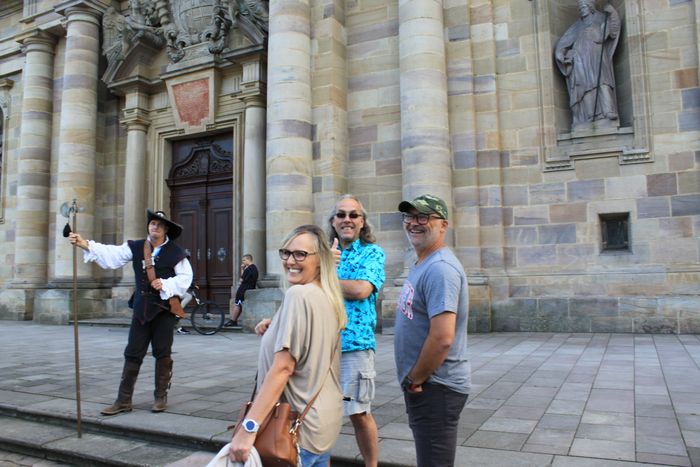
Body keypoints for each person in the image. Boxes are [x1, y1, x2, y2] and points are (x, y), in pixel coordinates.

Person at [228, 225, 346, 467]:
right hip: (322, 424)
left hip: (294, 428)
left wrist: (248, 428)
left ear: (320, 260)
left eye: (301, 254)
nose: (290, 260)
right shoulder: (327, 296)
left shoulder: (299, 295)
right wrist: (276, 325)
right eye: (286, 252)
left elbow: (283, 368)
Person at [68, 209, 193, 415]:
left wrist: (167, 283)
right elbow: (112, 254)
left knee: (163, 352)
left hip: (163, 312)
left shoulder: (176, 253)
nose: (155, 227)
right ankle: (123, 400)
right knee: (132, 353)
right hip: (141, 309)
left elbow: (186, 278)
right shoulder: (135, 247)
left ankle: (160, 397)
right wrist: (84, 243)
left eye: (160, 225)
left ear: (166, 230)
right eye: (153, 223)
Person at [395, 194, 471, 467]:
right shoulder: (423, 263)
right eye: (410, 216)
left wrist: (415, 378)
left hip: (435, 386)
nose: (414, 223)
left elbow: (442, 338)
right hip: (428, 386)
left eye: (424, 217)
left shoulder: (440, 268)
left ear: (443, 225)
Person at [327, 195, 385, 466]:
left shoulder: (372, 253)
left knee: (358, 412)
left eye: (353, 215)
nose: (347, 220)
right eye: (341, 214)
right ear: (333, 221)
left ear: (362, 222)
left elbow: (361, 289)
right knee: (315, 412)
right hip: (320, 345)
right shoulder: (322, 252)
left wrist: (322, 275)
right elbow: (300, 289)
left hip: (355, 346)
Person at [554, 0, 621, 131]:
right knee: (585, 88)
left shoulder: (601, 19)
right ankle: (589, 116)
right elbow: (562, 44)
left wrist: (612, 13)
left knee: (603, 82)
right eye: (580, 8)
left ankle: (608, 111)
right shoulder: (576, 26)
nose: (582, 9)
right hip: (580, 61)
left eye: (584, 7)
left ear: (591, 7)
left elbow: (613, 31)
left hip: (597, 57)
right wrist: (564, 56)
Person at [224, 254, 258, 328]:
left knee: (237, 304)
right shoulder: (254, 268)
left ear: (249, 259)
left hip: (244, 289)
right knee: (239, 305)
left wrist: (242, 269)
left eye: (244, 260)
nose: (243, 262)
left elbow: (242, 279)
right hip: (249, 288)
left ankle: (233, 320)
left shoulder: (249, 269)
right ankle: (233, 320)